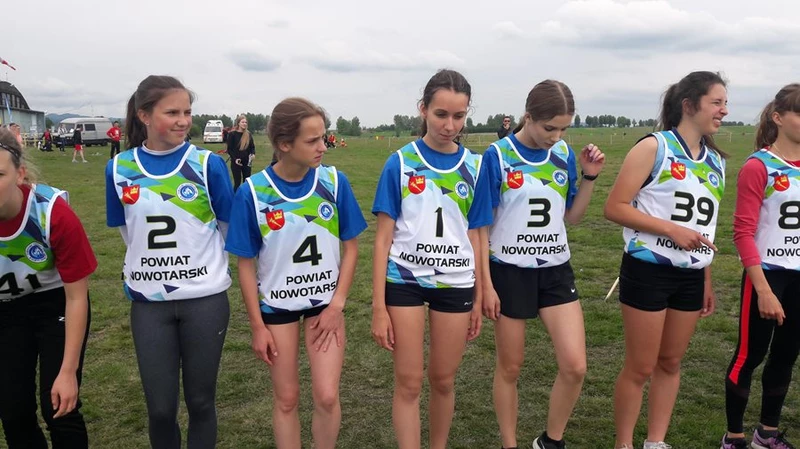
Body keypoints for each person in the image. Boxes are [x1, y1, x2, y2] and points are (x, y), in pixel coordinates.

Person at [226, 97, 366, 449]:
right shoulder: (253, 192)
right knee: (286, 399)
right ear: (284, 144)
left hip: (325, 306)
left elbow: (352, 248)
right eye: (313, 140)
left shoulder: (334, 182)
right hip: (277, 307)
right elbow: (246, 265)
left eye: (324, 138)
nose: (323, 147)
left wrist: (337, 305)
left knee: (327, 396)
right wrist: (257, 326)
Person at [105, 75, 234, 449]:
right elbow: (128, 233)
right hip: (149, 305)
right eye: (172, 113)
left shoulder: (207, 164)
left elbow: (227, 229)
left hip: (205, 301)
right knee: (160, 410)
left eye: (187, 112)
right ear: (144, 115)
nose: (183, 121)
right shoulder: (119, 168)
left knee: (201, 402)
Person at [604, 71, 728, 449]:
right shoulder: (653, 147)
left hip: (690, 276)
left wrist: (705, 278)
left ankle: (655, 442)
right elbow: (615, 207)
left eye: (725, 103)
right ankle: (624, 443)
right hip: (648, 269)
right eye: (716, 102)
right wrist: (670, 230)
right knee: (641, 366)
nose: (724, 110)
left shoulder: (716, 161)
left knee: (671, 362)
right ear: (689, 105)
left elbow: (705, 228)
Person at [480, 80, 605, 449]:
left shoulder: (563, 153)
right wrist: (485, 283)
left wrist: (589, 177)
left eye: (563, 129)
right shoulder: (498, 155)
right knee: (511, 366)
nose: (556, 136)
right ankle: (509, 443)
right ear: (528, 117)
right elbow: (481, 225)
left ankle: (551, 441)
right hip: (509, 271)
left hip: (555, 269)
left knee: (575, 365)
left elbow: (573, 217)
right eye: (550, 128)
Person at [371, 69, 491, 449]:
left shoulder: (475, 167)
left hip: (455, 283)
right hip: (404, 281)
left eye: (459, 116)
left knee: (443, 380)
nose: (449, 125)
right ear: (423, 109)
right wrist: (378, 307)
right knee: (408, 382)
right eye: (441, 114)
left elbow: (477, 234)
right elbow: (383, 239)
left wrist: (480, 293)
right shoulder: (400, 163)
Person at [0, 126, 96, 448]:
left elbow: (77, 297)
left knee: (59, 407)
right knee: (12, 411)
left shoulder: (52, 213)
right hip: (7, 312)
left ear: (20, 174)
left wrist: (68, 372)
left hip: (57, 304)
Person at [722, 84, 800, 449]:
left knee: (786, 356)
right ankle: (734, 437)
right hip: (766, 275)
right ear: (778, 117)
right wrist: (764, 290)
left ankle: (766, 434)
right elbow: (742, 233)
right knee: (749, 355)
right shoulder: (759, 166)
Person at [226, 115, 255, 190]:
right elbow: (229, 149)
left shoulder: (248, 134)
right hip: (236, 162)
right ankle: (235, 196)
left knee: (247, 182)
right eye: (242, 122)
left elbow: (252, 147)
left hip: (247, 162)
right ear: (238, 123)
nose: (244, 124)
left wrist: (253, 154)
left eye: (246, 122)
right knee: (237, 183)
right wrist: (235, 159)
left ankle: (245, 197)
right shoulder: (232, 134)